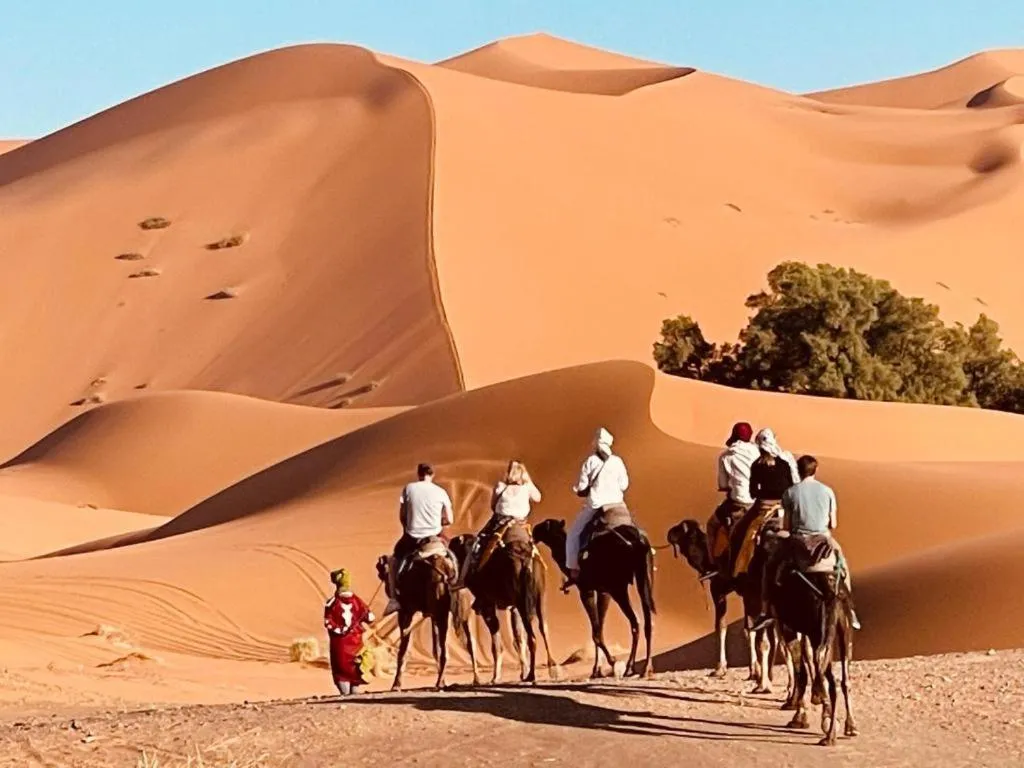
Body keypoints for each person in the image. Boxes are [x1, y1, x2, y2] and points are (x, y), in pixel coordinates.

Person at [752, 455, 861, 630]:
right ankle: (850, 609)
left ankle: (765, 611)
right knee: (843, 566)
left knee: (770, 566)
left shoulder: (790, 493)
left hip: (798, 541)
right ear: (815, 470)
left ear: (798, 471)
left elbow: (787, 526)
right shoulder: (827, 491)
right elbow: (833, 524)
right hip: (823, 539)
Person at [384, 463, 455, 615]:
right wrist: (439, 522)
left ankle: (394, 599)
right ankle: (456, 590)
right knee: (453, 559)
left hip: (413, 537)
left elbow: (403, 515)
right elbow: (450, 519)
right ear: (432, 475)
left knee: (394, 561)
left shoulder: (409, 488)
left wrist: (410, 524)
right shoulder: (441, 491)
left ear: (418, 474)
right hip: (435, 537)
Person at [565, 427, 629, 588]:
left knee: (573, 534)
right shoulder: (618, 461)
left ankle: (573, 569)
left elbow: (581, 487)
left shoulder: (590, 461)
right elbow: (624, 485)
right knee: (631, 526)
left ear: (595, 444)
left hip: (596, 505)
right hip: (617, 503)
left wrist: (580, 490)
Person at [460, 459, 541, 585]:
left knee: (478, 544)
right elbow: (538, 498)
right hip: (520, 524)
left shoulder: (501, 486)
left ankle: (463, 578)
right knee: (532, 547)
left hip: (500, 523)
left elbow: (493, 506)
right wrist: (527, 480)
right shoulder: (527, 488)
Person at [733, 427, 798, 579]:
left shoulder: (757, 465)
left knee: (741, 532)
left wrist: (762, 493)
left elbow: (752, 492)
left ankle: (740, 572)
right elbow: (790, 486)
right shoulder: (784, 464)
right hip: (784, 508)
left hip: (763, 508)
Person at [706, 422, 760, 571]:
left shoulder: (726, 456)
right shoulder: (758, 452)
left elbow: (723, 484)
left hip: (739, 503)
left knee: (711, 525)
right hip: (759, 502)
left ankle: (711, 564)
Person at [324, 568, 376, 696]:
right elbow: (371, 618)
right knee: (355, 674)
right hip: (356, 645)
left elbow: (328, 623)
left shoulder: (332, 603)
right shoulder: (358, 601)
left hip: (340, 646)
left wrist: (341, 630)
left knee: (342, 675)